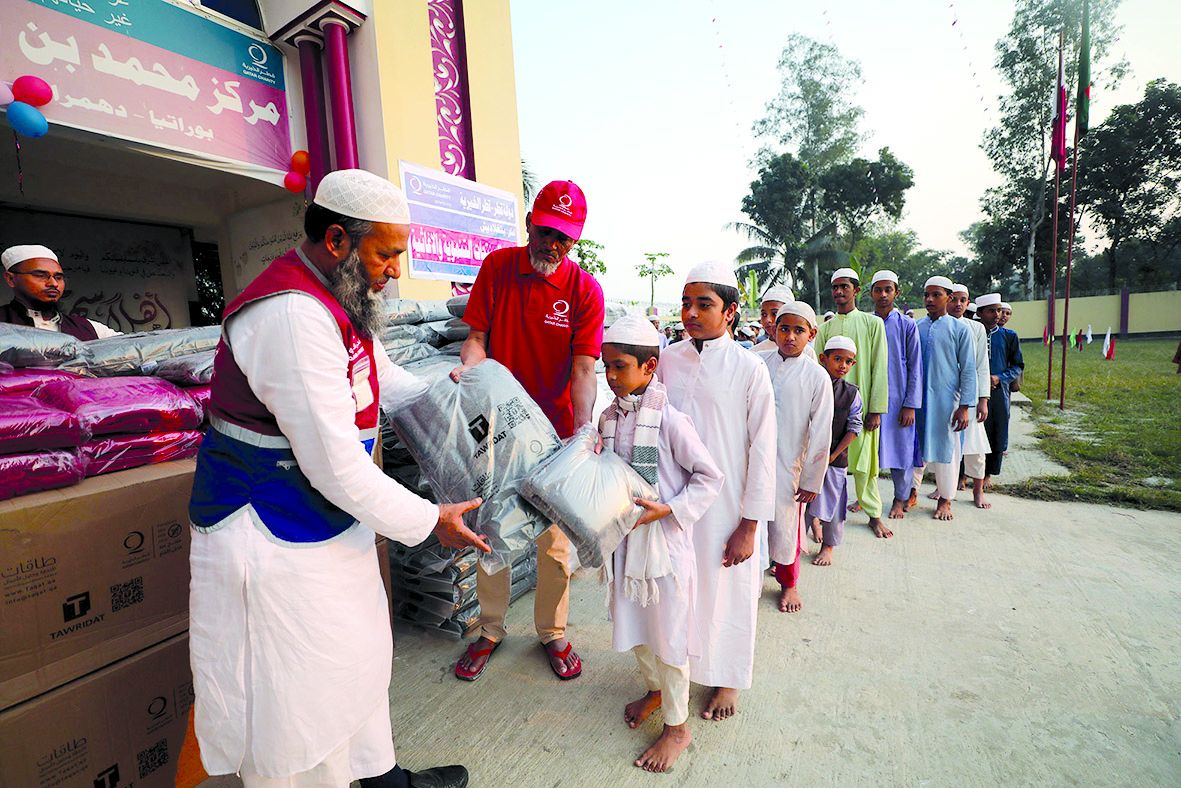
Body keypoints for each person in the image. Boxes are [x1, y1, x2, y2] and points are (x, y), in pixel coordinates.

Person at [187, 170, 485, 788]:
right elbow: (336, 463)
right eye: (387, 252)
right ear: (337, 241)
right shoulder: (290, 315)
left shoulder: (338, 299)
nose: (396, 268)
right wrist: (432, 521)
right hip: (271, 535)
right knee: (305, 695)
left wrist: (469, 401)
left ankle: (382, 779)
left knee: (358, 658)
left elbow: (380, 381)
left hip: (322, 522)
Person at [451, 180, 604, 682]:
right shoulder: (498, 268)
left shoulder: (585, 291)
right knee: (490, 532)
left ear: (574, 240)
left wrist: (582, 437)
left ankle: (552, 632)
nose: (551, 245)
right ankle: (490, 629)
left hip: (553, 436)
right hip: (495, 431)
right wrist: (466, 373)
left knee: (554, 545)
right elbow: (476, 339)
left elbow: (584, 370)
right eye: (545, 232)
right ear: (529, 225)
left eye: (563, 237)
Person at [598, 314, 724, 773]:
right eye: (606, 365)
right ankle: (654, 691)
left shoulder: (670, 420)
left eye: (620, 366)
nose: (610, 376)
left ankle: (678, 726)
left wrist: (668, 509)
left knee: (669, 637)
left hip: (663, 551)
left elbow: (710, 478)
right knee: (636, 631)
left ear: (650, 367)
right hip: (625, 547)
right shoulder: (608, 419)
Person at [657, 261, 775, 722]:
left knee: (727, 591)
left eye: (703, 304)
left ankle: (727, 679)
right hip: (676, 500)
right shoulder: (668, 358)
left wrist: (750, 523)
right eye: (686, 303)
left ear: (730, 312)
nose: (691, 312)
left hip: (728, 507)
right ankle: (676, 674)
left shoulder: (750, 368)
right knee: (679, 590)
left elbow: (764, 449)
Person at [758, 301, 832, 612]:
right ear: (773, 330)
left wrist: (812, 478)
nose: (790, 336)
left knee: (786, 527)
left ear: (811, 334)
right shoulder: (757, 363)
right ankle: (750, 579)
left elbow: (821, 433)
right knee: (750, 522)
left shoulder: (817, 377)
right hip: (751, 460)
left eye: (798, 330)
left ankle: (788, 584)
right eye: (784, 328)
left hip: (790, 464)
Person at [815, 268, 891, 539]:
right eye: (835, 287)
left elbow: (880, 367)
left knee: (866, 463)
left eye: (844, 286)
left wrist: (876, 409)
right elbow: (816, 368)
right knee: (828, 463)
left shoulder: (873, 325)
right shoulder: (825, 329)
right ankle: (821, 519)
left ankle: (874, 514)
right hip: (830, 410)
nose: (838, 292)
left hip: (861, 406)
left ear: (856, 290)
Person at [914, 276, 976, 521]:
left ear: (948, 298)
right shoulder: (917, 327)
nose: (930, 299)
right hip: (918, 400)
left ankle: (946, 498)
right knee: (915, 445)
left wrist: (964, 406)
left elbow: (969, 369)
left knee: (947, 448)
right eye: (927, 294)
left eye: (936, 294)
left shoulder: (960, 328)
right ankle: (910, 492)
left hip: (947, 399)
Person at [870, 270, 923, 521]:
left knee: (901, 453)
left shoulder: (907, 325)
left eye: (887, 289)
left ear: (896, 292)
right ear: (870, 293)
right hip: (872, 401)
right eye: (878, 290)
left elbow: (915, 366)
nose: (883, 295)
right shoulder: (867, 323)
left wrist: (910, 404)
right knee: (869, 453)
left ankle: (900, 499)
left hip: (899, 400)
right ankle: (867, 498)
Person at [810, 336, 862, 566]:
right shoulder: (810, 383)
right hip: (806, 458)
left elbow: (854, 426)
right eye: (837, 359)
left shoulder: (851, 393)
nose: (842, 365)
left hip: (834, 459)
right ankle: (790, 551)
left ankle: (828, 546)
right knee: (799, 505)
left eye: (848, 361)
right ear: (823, 359)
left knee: (834, 502)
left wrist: (832, 455)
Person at [1, 244, 120, 339]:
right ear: (11, 279)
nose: (53, 283)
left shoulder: (89, 328)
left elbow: (132, 351)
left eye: (58, 277)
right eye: (40, 275)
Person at [948, 283, 991, 509]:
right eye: (953, 299)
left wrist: (983, 399)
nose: (957, 304)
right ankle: (944, 486)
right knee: (944, 442)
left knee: (975, 446)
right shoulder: (938, 326)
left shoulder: (976, 329)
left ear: (967, 303)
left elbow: (982, 365)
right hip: (944, 394)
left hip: (970, 395)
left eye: (962, 300)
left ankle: (978, 491)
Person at [977, 294, 1024, 496]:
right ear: (980, 313)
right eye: (992, 310)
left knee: (996, 430)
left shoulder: (1009, 336)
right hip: (975, 390)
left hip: (998, 392)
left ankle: (988, 473)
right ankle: (963, 474)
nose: (997, 315)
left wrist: (1000, 377)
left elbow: (1018, 365)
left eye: (999, 310)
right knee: (973, 431)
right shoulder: (972, 332)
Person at [752, 285, 817, 361]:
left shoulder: (807, 352)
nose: (768, 320)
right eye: (764, 314)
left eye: (775, 314)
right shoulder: (754, 352)